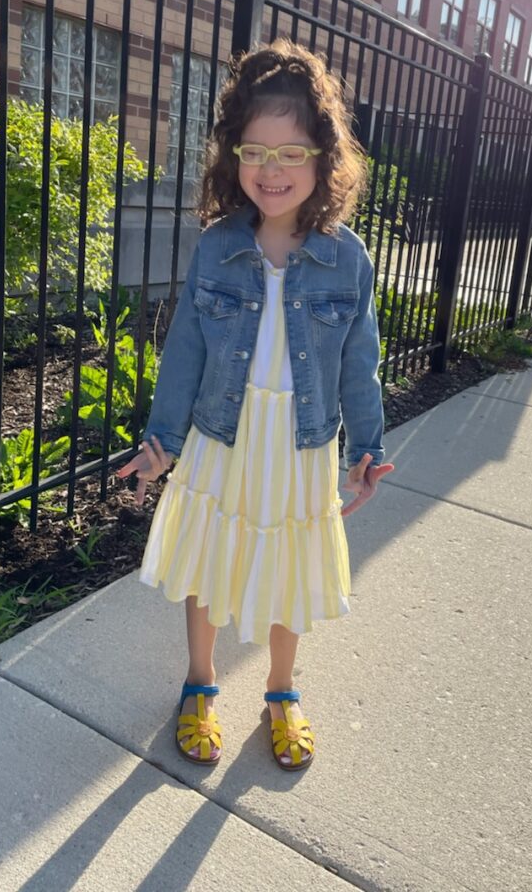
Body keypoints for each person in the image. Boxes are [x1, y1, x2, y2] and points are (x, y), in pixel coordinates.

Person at [117, 38, 394, 770]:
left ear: (323, 160)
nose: (271, 172)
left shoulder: (347, 258)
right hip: (222, 435)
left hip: (301, 444)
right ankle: (201, 684)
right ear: (232, 156)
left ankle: (280, 691)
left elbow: (359, 362)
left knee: (287, 570)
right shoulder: (217, 246)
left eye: (291, 153)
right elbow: (185, 350)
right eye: (255, 152)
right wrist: (161, 440)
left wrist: (368, 447)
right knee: (208, 563)